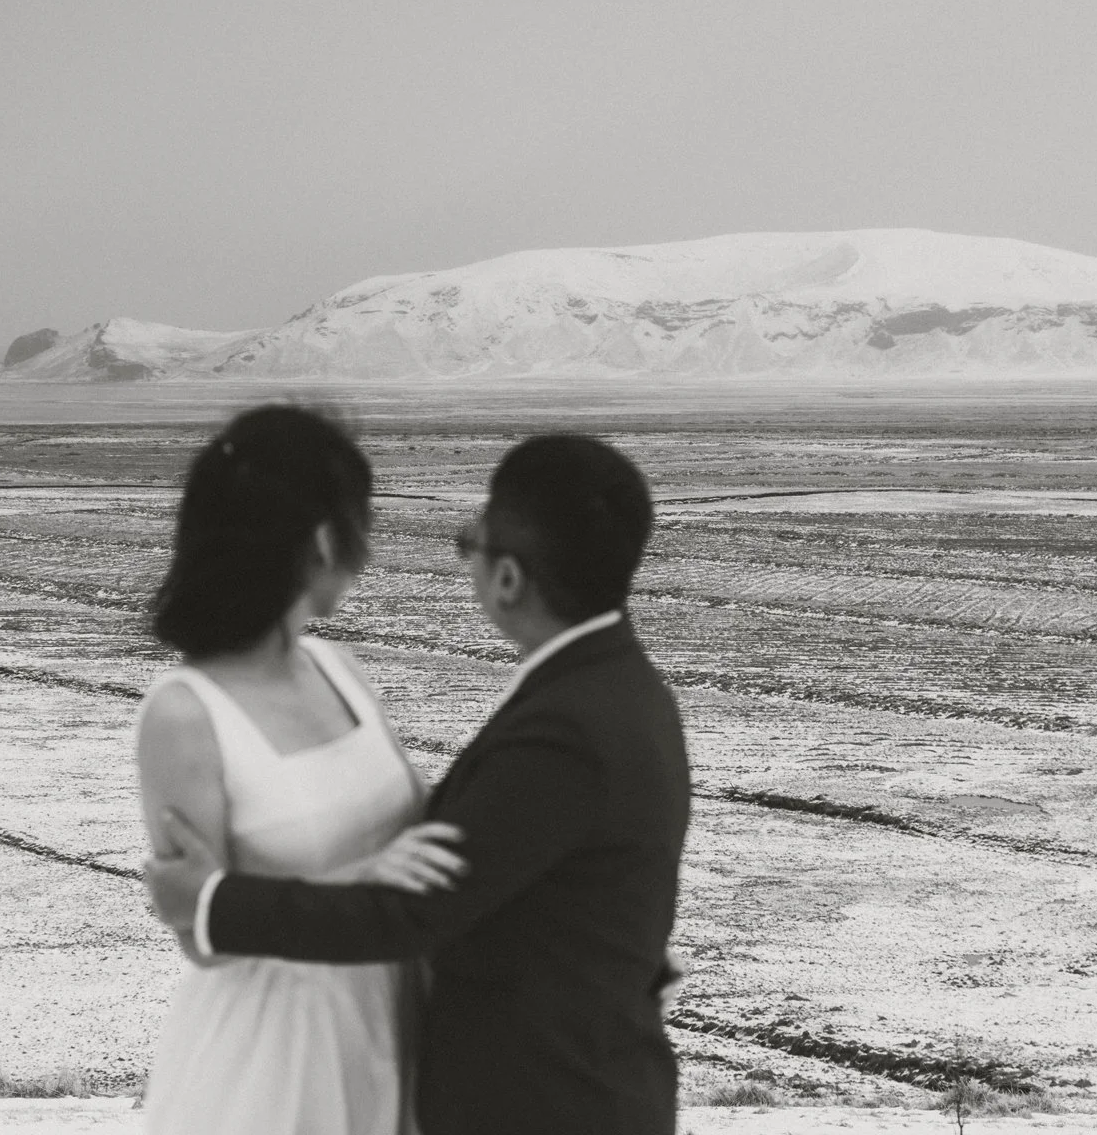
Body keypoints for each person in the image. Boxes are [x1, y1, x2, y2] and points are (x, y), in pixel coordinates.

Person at [146, 433, 692, 1135]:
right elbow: (515, 856)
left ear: (508, 580)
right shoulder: (614, 688)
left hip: (545, 1102)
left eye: (471, 541)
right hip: (444, 1070)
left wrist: (214, 903)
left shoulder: (567, 727)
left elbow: (413, 913)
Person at [134, 404, 467, 1135]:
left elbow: (424, 835)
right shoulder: (184, 714)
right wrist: (368, 883)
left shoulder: (337, 669)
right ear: (320, 538)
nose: (365, 553)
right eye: (359, 525)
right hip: (277, 1066)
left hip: (393, 1023)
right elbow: (200, 933)